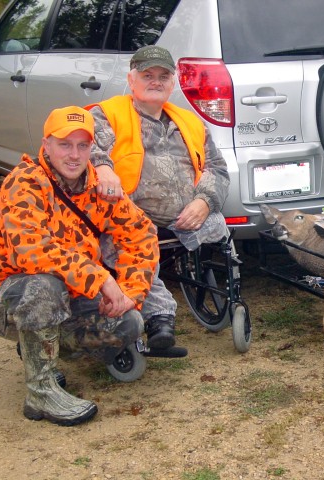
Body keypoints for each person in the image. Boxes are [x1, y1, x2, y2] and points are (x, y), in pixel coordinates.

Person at [0, 106, 159, 426]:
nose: (74, 155)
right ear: (46, 145)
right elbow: (30, 250)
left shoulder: (100, 187)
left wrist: (129, 291)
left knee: (129, 323)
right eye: (64, 144)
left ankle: (39, 349)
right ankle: (40, 392)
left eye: (82, 145)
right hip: (2, 293)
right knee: (45, 284)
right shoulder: (24, 182)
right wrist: (100, 278)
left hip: (70, 292)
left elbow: (142, 236)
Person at [87, 45, 230, 354]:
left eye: (162, 76)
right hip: (128, 219)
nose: (155, 81)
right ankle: (158, 319)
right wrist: (101, 166)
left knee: (219, 225)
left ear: (173, 82)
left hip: (187, 216)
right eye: (147, 75)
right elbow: (82, 146)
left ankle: (232, 300)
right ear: (131, 78)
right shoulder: (107, 115)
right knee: (122, 247)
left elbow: (217, 167)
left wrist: (205, 201)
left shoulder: (190, 122)